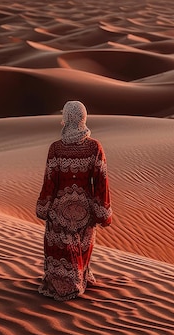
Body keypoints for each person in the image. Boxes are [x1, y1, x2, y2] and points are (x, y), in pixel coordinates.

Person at [36, 101, 112, 300]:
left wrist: (44, 207)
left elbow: (49, 182)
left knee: (62, 251)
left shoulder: (56, 149)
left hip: (59, 213)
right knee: (80, 249)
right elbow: (101, 181)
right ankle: (78, 281)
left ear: (67, 118)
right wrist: (101, 211)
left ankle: (63, 284)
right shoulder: (95, 147)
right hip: (84, 212)